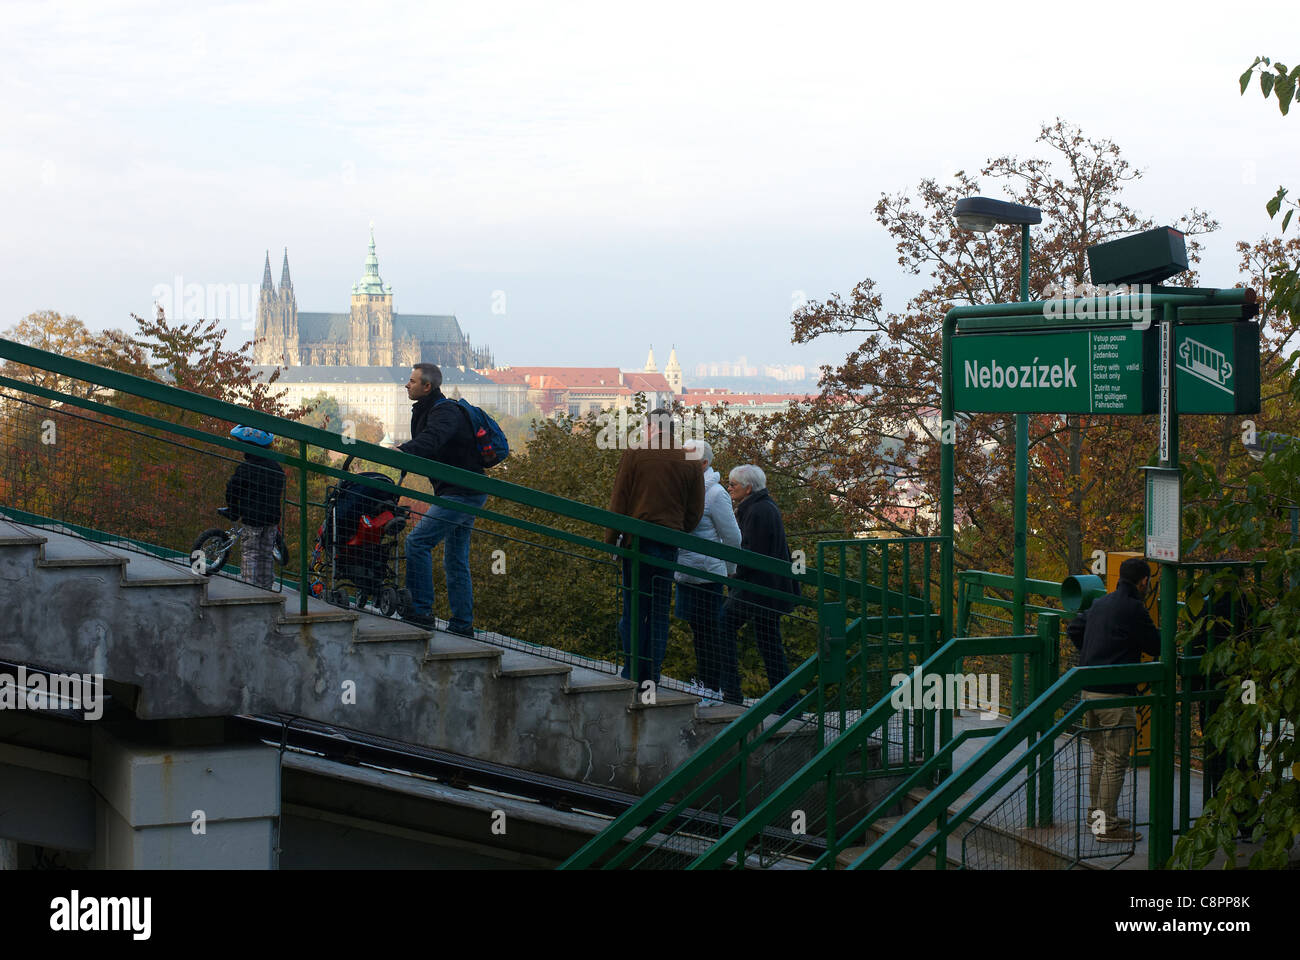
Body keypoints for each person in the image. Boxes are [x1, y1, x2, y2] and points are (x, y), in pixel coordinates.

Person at [605, 409, 705, 686]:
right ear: (672, 429)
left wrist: (611, 540)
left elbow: (619, 501)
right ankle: (653, 674)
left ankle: (632, 671)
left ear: (650, 426)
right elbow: (696, 510)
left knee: (634, 607)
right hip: (669, 542)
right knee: (660, 611)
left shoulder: (635, 452)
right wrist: (679, 530)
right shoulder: (690, 458)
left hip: (636, 542)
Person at [1066, 556, 1162, 843]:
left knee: (1099, 755)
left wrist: (1096, 650)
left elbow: (1074, 629)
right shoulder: (1134, 608)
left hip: (1088, 690)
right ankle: (1106, 826)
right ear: (1143, 581)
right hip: (1116, 695)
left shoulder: (1102, 602)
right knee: (1116, 759)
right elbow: (1155, 645)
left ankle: (1096, 815)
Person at [398, 363, 488, 637]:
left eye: (412, 381)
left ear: (428, 387)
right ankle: (462, 625)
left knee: (417, 542)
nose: (407, 385)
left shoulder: (445, 411)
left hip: (462, 492)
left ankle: (422, 611)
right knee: (455, 559)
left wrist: (401, 450)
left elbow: (431, 441)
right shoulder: (431, 409)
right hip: (461, 490)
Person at [715, 465, 799, 707]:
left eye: (733, 484)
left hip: (759, 589)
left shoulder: (757, 511)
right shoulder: (763, 507)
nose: (729, 488)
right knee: (769, 644)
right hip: (767, 589)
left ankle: (732, 690)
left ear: (748, 488)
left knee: (725, 623)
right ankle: (786, 701)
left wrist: (733, 573)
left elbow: (753, 553)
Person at [673, 439, 742, 703]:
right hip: (687, 571)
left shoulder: (715, 494)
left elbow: (733, 537)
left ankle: (713, 687)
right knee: (698, 631)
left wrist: (728, 571)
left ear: (704, 463)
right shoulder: (685, 489)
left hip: (707, 575)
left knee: (709, 632)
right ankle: (707, 684)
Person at [225, 425, 286, 591]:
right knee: (266, 554)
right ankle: (266, 588)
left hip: (252, 519)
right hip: (271, 518)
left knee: (250, 552)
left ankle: (249, 589)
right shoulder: (276, 468)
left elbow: (233, 489)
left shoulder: (245, 468)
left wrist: (233, 508)